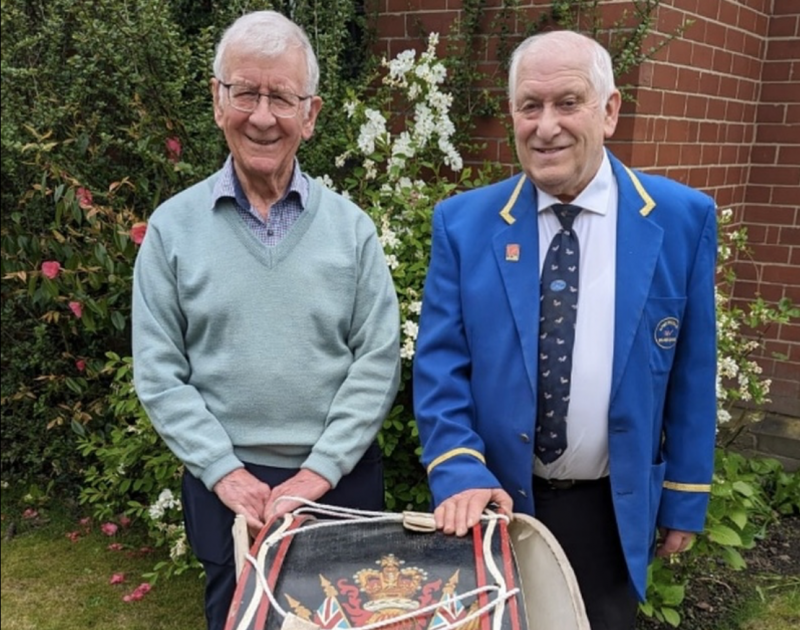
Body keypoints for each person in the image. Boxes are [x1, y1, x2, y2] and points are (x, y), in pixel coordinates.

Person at [412, 30, 717, 630]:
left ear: (609, 111)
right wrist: (458, 469)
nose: (545, 126)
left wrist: (683, 493)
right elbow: (440, 366)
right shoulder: (465, 225)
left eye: (567, 102)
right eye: (530, 106)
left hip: (610, 506)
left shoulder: (680, 219)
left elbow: (691, 369)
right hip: (494, 506)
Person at [132, 11, 401, 630]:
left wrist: (318, 472)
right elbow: (159, 369)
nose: (261, 115)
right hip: (227, 486)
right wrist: (226, 473)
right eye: (244, 91)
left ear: (311, 114)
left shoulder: (352, 232)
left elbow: (377, 361)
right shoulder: (173, 229)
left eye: (281, 96)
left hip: (340, 480)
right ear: (216, 99)